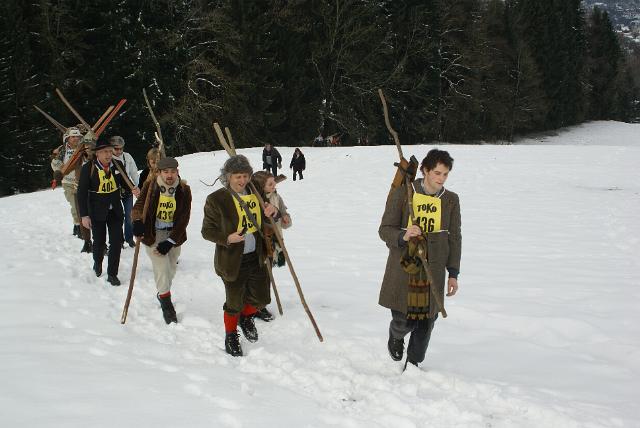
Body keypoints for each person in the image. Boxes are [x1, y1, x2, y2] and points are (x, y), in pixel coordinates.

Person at [378, 148, 461, 369]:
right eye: (437, 173)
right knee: (403, 319)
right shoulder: (404, 193)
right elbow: (384, 229)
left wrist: (453, 273)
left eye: (445, 174)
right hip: (405, 268)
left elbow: (455, 238)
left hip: (433, 270)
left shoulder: (451, 200)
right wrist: (404, 235)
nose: (441, 179)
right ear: (424, 170)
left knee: (427, 322)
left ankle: (413, 364)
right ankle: (396, 336)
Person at [201, 155, 279, 357]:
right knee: (234, 302)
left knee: (261, 297)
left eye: (245, 176)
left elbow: (269, 215)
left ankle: (247, 318)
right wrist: (227, 238)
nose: (242, 180)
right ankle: (230, 335)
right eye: (237, 176)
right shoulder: (217, 199)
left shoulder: (255, 191)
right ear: (228, 177)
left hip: (257, 255)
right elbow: (207, 231)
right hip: (232, 260)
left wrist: (273, 210)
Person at [132, 157, 192, 324]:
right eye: (166, 172)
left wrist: (171, 241)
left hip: (174, 235)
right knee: (161, 268)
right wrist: (137, 221)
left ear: (177, 172)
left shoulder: (184, 189)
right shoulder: (151, 186)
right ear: (159, 173)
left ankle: (162, 292)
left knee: (170, 269)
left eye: (173, 171)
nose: (169, 175)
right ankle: (166, 303)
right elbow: (138, 206)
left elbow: (184, 218)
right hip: (154, 234)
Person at [77, 138, 132, 286]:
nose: (108, 154)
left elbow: (126, 183)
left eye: (110, 151)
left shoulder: (118, 165)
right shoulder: (88, 168)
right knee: (99, 242)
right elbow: (81, 193)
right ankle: (97, 262)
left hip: (115, 211)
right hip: (96, 211)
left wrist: (135, 188)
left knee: (116, 242)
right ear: (97, 154)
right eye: (105, 152)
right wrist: (84, 215)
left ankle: (112, 274)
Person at [250, 171, 293, 321]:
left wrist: (286, 218)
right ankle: (255, 306)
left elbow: (283, 215)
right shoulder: (255, 200)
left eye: (274, 182)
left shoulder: (276, 197)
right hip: (261, 242)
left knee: (267, 275)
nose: (274, 185)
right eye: (270, 183)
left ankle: (260, 305)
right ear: (261, 186)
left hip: (275, 241)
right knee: (260, 276)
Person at [50, 127, 93, 253]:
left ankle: (80, 225)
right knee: (75, 206)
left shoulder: (83, 147)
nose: (75, 139)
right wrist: (62, 169)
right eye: (72, 137)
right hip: (68, 182)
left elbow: (90, 158)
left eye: (77, 136)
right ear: (67, 138)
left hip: (82, 182)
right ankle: (78, 226)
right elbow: (55, 163)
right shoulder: (62, 150)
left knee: (84, 206)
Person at [110, 136, 140, 248]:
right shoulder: (108, 158)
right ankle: (119, 240)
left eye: (121, 148)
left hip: (128, 190)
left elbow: (134, 172)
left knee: (129, 216)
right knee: (118, 217)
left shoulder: (127, 157)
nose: (119, 151)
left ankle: (129, 238)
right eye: (116, 148)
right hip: (114, 191)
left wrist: (138, 187)